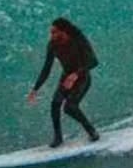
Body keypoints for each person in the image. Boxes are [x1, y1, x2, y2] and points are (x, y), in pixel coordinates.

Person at [27, 17, 100, 147]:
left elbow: (93, 61)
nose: (52, 35)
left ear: (64, 31)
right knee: (55, 103)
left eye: (54, 32)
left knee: (69, 107)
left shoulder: (79, 40)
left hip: (82, 77)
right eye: (51, 32)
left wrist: (75, 75)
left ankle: (91, 131)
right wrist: (35, 89)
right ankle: (58, 137)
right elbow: (46, 68)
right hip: (66, 77)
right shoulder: (52, 45)